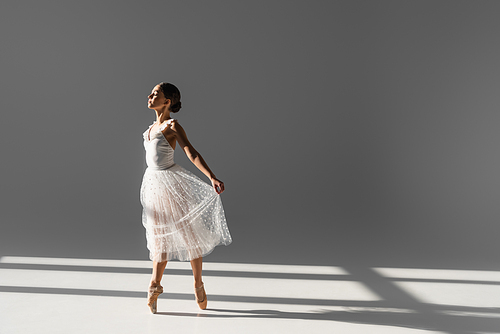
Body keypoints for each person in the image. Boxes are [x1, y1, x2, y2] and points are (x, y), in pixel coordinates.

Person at [140, 82, 232, 314]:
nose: (150, 96)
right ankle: (155, 284)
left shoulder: (172, 126)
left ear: (167, 101)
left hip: (172, 185)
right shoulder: (150, 129)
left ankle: (198, 283)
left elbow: (191, 152)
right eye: (151, 93)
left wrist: (211, 177)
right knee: (158, 235)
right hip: (153, 184)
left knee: (190, 234)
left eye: (156, 94)